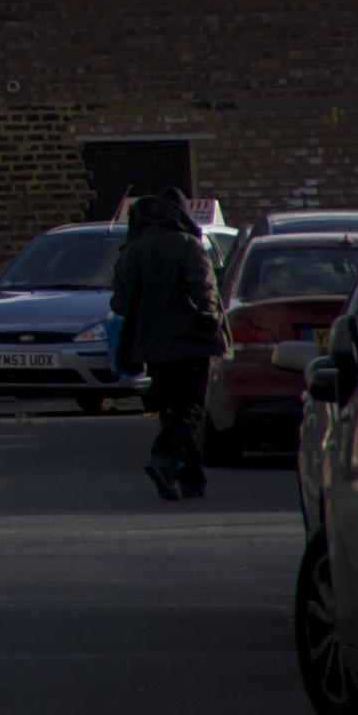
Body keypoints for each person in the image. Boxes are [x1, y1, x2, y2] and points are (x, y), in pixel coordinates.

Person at [111, 184, 225, 501]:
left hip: (151, 343)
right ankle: (163, 457)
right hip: (190, 339)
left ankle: (190, 476)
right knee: (192, 407)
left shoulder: (133, 248)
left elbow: (120, 302)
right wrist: (209, 316)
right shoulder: (188, 244)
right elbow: (204, 287)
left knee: (171, 408)